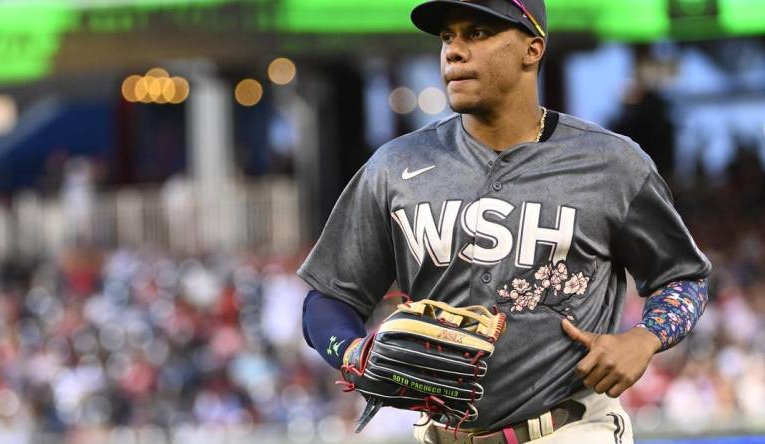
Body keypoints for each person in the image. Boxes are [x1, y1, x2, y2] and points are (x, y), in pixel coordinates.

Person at [297, 0, 712, 442]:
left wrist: (644, 339)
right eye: (447, 37)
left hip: (569, 429)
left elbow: (683, 277)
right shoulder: (395, 167)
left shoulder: (610, 164)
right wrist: (353, 352)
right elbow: (328, 299)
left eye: (476, 33)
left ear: (532, 48)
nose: (454, 51)